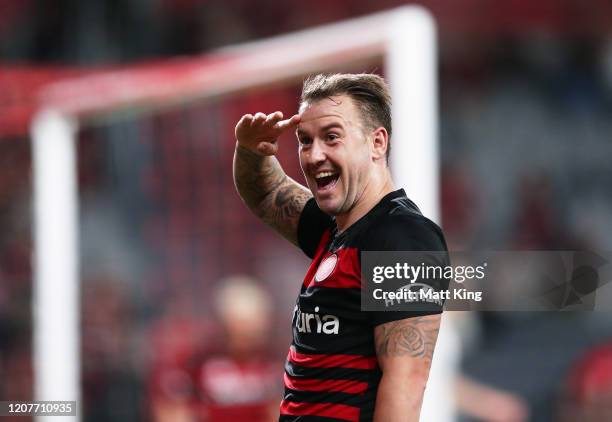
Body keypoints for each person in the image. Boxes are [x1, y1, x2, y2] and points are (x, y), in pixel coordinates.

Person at [233, 73, 448, 422]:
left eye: (332, 137)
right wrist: (249, 150)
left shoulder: (401, 238)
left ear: (377, 143)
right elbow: (267, 195)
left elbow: (406, 385)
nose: (315, 154)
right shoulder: (335, 230)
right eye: (305, 140)